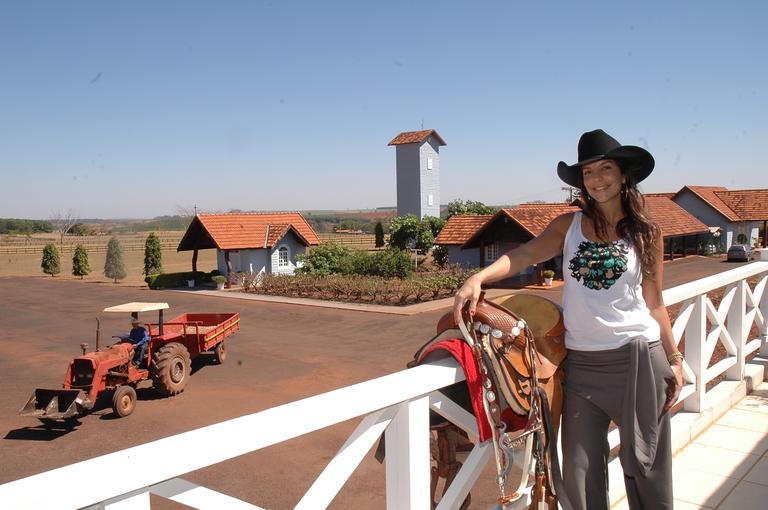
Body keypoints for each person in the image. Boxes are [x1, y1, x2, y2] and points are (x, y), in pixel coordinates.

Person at [452, 129, 683, 510]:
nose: (597, 179)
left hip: (639, 360)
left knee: (647, 470)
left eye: (605, 168)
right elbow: (523, 255)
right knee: (578, 473)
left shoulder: (646, 233)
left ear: (624, 174)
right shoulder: (567, 226)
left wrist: (674, 358)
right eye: (588, 172)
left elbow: (654, 302)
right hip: (582, 368)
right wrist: (478, 277)